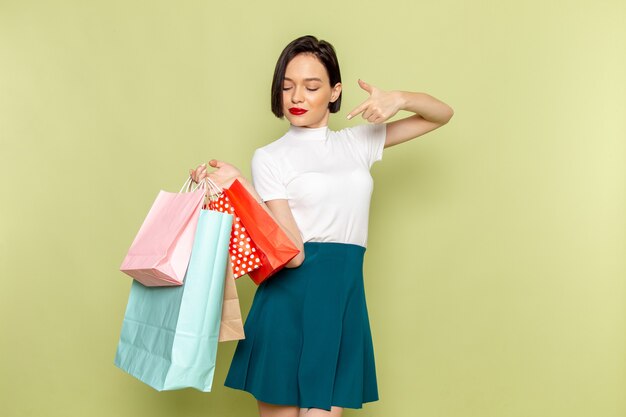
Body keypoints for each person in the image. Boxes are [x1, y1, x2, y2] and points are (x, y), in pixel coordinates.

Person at [190, 35, 453, 417]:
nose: (297, 97)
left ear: (334, 92)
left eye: (311, 86)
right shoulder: (270, 157)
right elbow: (292, 253)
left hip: (341, 300)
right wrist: (240, 187)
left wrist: (399, 99)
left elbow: (441, 114)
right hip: (287, 303)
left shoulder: (357, 143)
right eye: (287, 86)